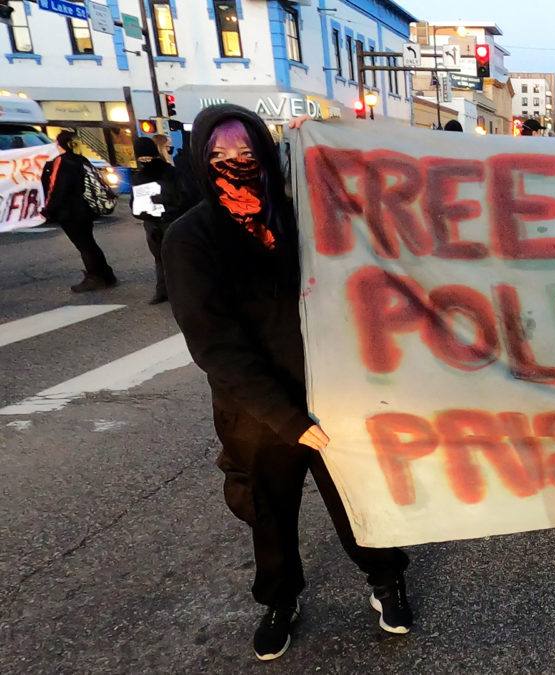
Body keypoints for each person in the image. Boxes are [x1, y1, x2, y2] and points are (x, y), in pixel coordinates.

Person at [161, 105, 413, 661]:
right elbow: (215, 345)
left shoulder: (303, 216)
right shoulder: (190, 237)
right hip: (258, 413)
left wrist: (322, 146)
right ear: (201, 161)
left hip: (335, 397)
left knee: (357, 500)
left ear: (267, 154)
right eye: (220, 156)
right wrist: (288, 419)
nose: (235, 164)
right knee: (271, 513)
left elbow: (373, 216)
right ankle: (279, 600)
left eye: (248, 153)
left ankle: (386, 578)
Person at [40, 130, 117, 293]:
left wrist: (48, 210)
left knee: (84, 245)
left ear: (59, 144)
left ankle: (94, 277)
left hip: (69, 211)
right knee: (89, 243)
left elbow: (57, 188)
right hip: (84, 208)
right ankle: (106, 275)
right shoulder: (80, 159)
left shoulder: (61, 162)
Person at [130, 136, 191, 304]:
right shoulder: (139, 176)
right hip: (152, 222)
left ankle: (182, 290)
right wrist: (142, 211)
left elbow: (183, 197)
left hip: (170, 220)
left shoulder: (171, 173)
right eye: (142, 159)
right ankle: (163, 290)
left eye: (148, 157)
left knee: (176, 257)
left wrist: (161, 201)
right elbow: (134, 203)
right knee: (159, 257)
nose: (145, 161)